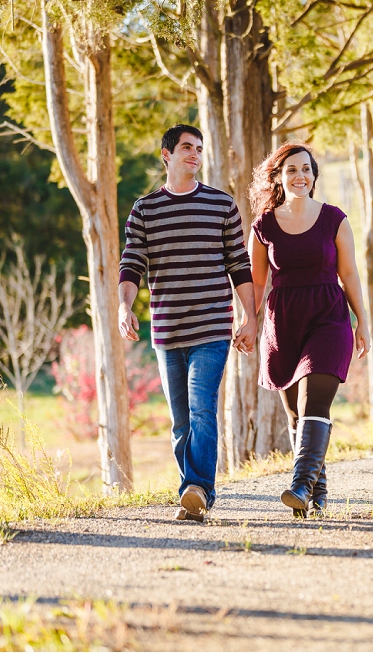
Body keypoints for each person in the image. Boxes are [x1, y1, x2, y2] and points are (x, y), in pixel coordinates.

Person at [118, 124, 257, 522]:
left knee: (201, 411)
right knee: (181, 421)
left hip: (212, 328)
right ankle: (193, 495)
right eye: (186, 148)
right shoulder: (145, 209)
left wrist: (250, 317)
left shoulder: (221, 205)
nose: (194, 154)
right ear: (166, 155)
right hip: (166, 331)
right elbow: (132, 265)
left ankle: (197, 489)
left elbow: (238, 265)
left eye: (199, 148)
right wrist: (124, 308)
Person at [244, 140, 370, 518]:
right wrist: (248, 321)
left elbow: (348, 273)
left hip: (329, 316)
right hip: (283, 322)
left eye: (306, 169)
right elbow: (255, 281)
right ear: (279, 177)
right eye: (292, 170)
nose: (300, 176)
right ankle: (317, 493)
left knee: (315, 399)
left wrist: (363, 319)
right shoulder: (263, 225)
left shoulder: (334, 218)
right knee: (297, 415)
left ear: (314, 176)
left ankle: (299, 485)